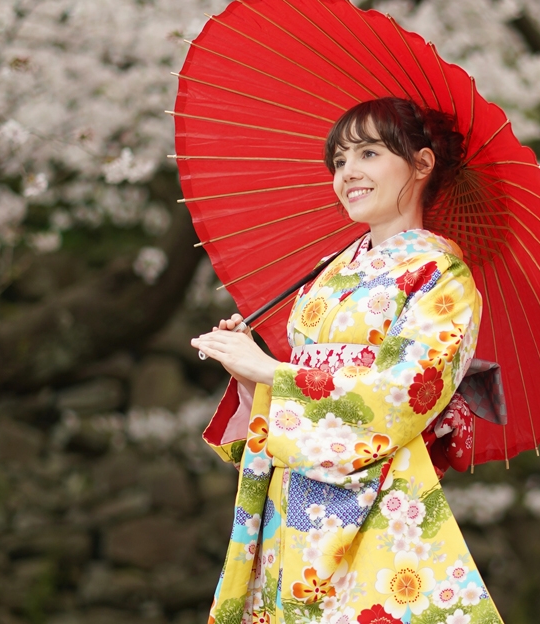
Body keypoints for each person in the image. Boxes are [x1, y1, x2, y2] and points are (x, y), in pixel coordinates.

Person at [192, 97, 504, 624]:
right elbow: (291, 385)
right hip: (293, 494)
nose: (348, 173)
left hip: (375, 492)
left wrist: (273, 372)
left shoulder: (442, 274)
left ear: (422, 164)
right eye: (339, 161)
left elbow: (405, 394)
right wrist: (250, 378)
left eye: (369, 153)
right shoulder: (331, 269)